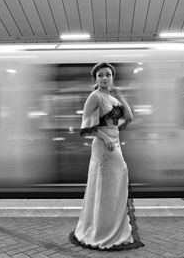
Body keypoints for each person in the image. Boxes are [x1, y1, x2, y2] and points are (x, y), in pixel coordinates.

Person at [69, 63, 144, 251]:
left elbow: (129, 117)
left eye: (108, 75)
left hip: (115, 144)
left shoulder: (111, 97)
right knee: (106, 186)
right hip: (104, 146)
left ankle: (113, 229)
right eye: (101, 75)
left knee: (116, 185)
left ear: (112, 77)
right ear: (95, 78)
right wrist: (104, 137)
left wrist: (120, 94)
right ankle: (102, 232)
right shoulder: (94, 97)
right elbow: (85, 128)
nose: (104, 78)